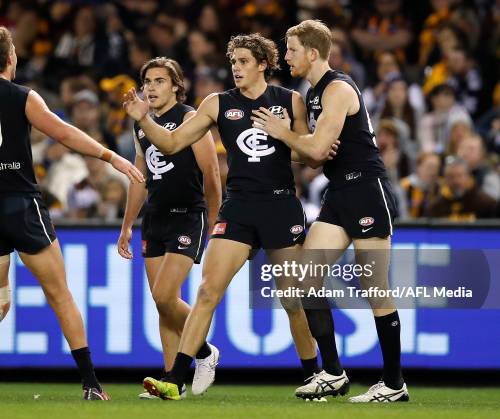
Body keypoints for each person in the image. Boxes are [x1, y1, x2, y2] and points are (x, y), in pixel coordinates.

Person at [0, 26, 144, 401]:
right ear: (10, 59)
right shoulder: (22, 95)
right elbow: (65, 133)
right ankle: (90, 384)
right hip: (21, 204)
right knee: (60, 295)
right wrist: (112, 156)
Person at [123, 33, 338, 401]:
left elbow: (312, 157)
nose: (236, 68)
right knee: (207, 291)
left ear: (262, 65)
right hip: (237, 207)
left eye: (242, 61)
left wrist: (285, 133)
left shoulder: (290, 100)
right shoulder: (217, 103)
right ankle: (175, 379)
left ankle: (314, 375)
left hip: (279, 205)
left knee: (291, 299)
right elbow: (173, 144)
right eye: (233, 61)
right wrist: (144, 120)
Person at [252, 19, 408, 402]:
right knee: (305, 280)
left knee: (375, 289)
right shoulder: (315, 93)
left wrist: (284, 133)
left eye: (290, 49)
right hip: (340, 192)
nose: (285, 57)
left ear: (312, 52)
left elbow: (317, 152)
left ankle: (393, 383)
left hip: (366, 190)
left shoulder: (337, 88)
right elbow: (316, 157)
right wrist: (307, 143)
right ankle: (334, 373)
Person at [117, 57, 222, 399]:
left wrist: (217, 219)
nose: (150, 87)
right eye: (147, 81)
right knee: (164, 303)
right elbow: (139, 176)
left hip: (188, 214)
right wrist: (127, 224)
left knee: (164, 295)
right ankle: (169, 381)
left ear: (176, 86)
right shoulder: (140, 123)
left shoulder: (191, 118)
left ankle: (204, 351)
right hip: (156, 216)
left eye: (160, 81)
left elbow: (211, 174)